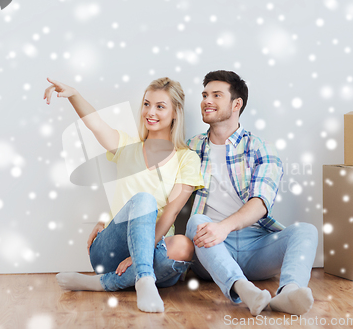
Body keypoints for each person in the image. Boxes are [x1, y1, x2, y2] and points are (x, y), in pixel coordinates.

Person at [43, 77, 204, 313]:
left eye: (160, 106)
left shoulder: (186, 158)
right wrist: (74, 94)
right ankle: (145, 277)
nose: (150, 112)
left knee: (184, 246)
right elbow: (95, 124)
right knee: (144, 199)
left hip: (155, 248)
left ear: (175, 113)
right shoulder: (127, 146)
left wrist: (143, 253)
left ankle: (103, 283)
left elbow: (172, 212)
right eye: (147, 104)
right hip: (111, 248)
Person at [185, 70, 318, 316]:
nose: (206, 101)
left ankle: (288, 293)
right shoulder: (191, 147)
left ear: (237, 104)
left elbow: (260, 203)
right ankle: (242, 289)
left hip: (256, 245)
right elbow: (163, 193)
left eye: (216, 95)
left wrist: (224, 226)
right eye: (204, 95)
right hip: (211, 247)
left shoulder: (261, 148)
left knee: (306, 230)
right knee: (196, 221)